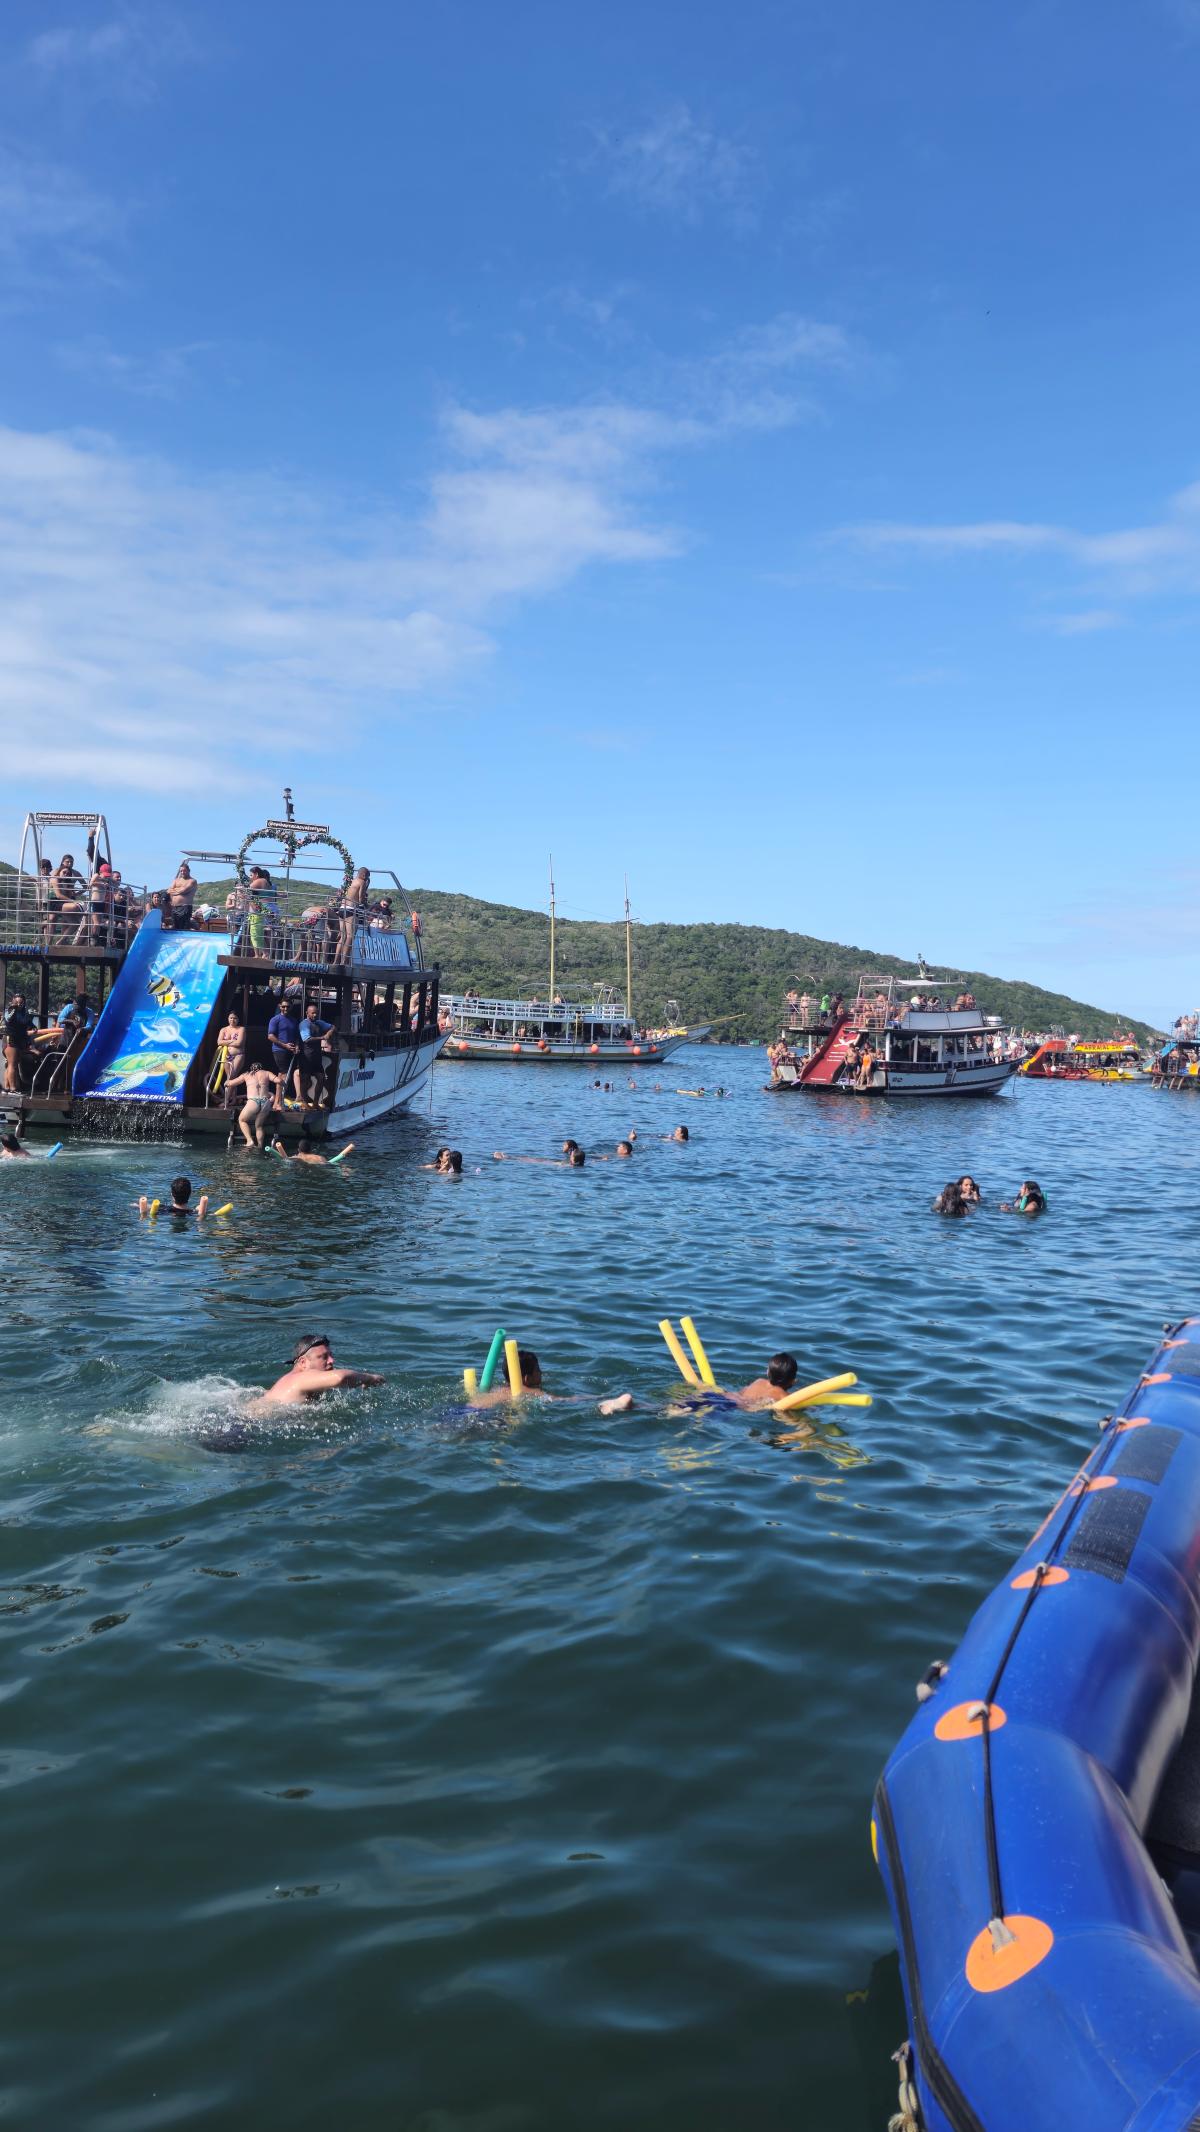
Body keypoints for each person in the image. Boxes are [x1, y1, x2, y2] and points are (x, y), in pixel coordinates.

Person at [468, 1348, 632, 1416]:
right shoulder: (528, 1391)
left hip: (465, 1411)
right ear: (526, 1379)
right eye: (538, 1370)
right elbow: (564, 1401)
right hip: (484, 1419)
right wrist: (599, 1397)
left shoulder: (497, 1389)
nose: (541, 1373)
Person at [253, 1333, 385, 1409]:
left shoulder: (297, 1381)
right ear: (303, 1362)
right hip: (246, 1429)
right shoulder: (299, 1378)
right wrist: (370, 1378)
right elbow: (339, 1378)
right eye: (324, 1357)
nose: (331, 1361)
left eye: (331, 1355)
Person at [226, 1063, 284, 1149]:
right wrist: (284, 1083)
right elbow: (279, 1081)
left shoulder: (246, 1075)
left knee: (242, 1120)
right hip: (265, 1102)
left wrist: (227, 1082)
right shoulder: (267, 1073)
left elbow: (231, 1083)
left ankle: (250, 1141)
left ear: (251, 1069)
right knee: (259, 1126)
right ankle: (260, 1146)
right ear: (261, 1068)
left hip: (253, 1101)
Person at [298, 998, 335, 1107]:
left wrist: (329, 1033)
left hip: (316, 1057)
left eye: (316, 1013)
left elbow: (333, 1027)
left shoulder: (319, 1023)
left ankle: (315, 1103)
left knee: (321, 1078)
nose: (315, 1015)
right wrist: (323, 1037)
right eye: (313, 1013)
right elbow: (306, 1039)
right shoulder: (304, 1024)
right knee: (305, 1081)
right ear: (307, 1013)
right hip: (306, 1057)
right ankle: (304, 1102)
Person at [734, 1354, 799, 1409]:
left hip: (734, 1400)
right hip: (748, 1409)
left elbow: (742, 1391)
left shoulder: (759, 1381)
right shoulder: (783, 1396)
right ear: (792, 1379)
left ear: (767, 1372)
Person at [268, 997, 302, 1093]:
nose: (285, 1008)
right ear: (280, 1006)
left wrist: (297, 1046)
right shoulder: (275, 1019)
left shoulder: (294, 1020)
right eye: (283, 1006)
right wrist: (285, 1045)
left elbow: (296, 1036)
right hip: (279, 1050)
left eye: (288, 1006)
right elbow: (270, 1036)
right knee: (284, 1074)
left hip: (291, 1051)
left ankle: (279, 1099)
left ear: (291, 1007)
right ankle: (278, 1099)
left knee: (285, 1074)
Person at [3, 992, 34, 1093]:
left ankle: (7, 1087)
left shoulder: (24, 1013)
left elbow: (28, 1023)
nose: (19, 1005)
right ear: (13, 1002)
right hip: (11, 1039)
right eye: (17, 1002)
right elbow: (9, 1019)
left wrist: (33, 1027)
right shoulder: (10, 1010)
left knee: (11, 1064)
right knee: (12, 1064)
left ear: (24, 1003)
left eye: (21, 1003)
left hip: (19, 1040)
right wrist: (14, 1008)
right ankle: (13, 1088)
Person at [337, 868, 370, 962]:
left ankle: (336, 961)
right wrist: (367, 905)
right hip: (351, 910)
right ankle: (343, 962)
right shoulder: (361, 882)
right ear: (364, 875)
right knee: (350, 936)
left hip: (342, 908)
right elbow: (360, 899)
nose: (367, 878)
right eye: (367, 876)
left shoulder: (349, 881)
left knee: (342, 937)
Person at [139, 1175, 210, 1219]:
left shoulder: (161, 1209)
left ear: (171, 1194)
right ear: (190, 1194)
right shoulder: (193, 1213)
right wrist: (198, 1209)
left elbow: (137, 1206)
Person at [214, 1010, 246, 1102]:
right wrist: (232, 1041)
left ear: (238, 1019)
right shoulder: (223, 1029)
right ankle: (233, 1099)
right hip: (227, 1055)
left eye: (235, 1018)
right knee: (231, 1077)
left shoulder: (241, 1029)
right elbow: (219, 1042)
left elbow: (239, 1043)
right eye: (231, 1018)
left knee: (231, 1076)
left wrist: (225, 1042)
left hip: (238, 1055)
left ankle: (226, 1100)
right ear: (228, 1018)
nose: (232, 1020)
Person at [168, 862, 198, 928]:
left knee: (184, 928)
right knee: (174, 928)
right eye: (181, 871)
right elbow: (169, 890)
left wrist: (175, 890)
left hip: (185, 908)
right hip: (174, 908)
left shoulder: (192, 881)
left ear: (189, 871)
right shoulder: (176, 880)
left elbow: (184, 890)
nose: (182, 872)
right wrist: (178, 891)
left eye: (184, 870)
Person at [493, 1148, 586, 1167]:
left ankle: (505, 1158)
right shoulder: (580, 1164)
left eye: (571, 1155)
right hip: (553, 1162)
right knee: (531, 1159)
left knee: (530, 1160)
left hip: (552, 1164)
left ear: (573, 1159)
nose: (570, 1156)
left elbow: (563, 1166)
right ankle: (508, 1157)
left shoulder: (570, 1166)